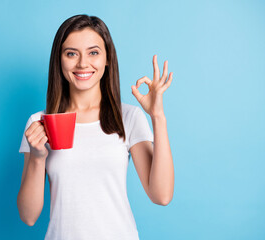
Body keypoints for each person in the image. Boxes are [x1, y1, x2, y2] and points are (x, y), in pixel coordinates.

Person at [17, 14, 174, 240]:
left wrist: (157, 116)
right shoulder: (39, 123)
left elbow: (162, 195)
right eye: (71, 53)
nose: (82, 63)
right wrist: (38, 156)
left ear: (107, 58)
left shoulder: (127, 117)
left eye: (93, 52)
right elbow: (28, 216)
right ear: (59, 60)